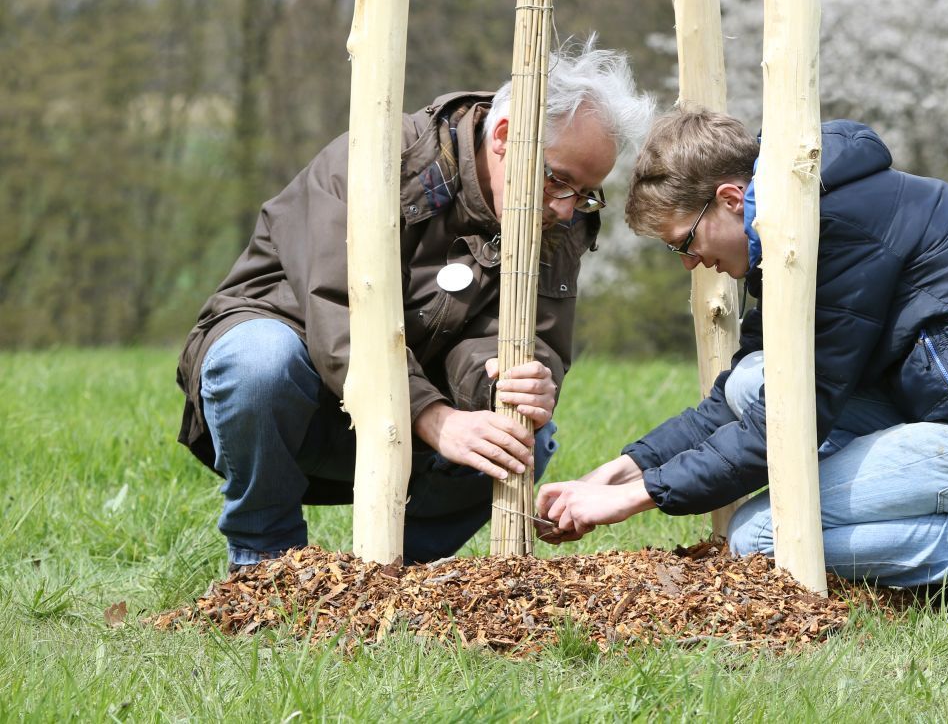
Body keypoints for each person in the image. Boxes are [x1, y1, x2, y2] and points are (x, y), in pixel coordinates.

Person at [536, 109, 948, 628]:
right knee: (748, 379)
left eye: (684, 241)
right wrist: (625, 469)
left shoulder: (836, 231)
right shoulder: (793, 225)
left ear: (732, 200)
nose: (691, 262)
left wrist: (640, 497)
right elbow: (743, 400)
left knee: (759, 536)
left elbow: (791, 419)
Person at [175, 43, 654, 570]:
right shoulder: (378, 159)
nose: (564, 207)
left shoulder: (557, 218)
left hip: (405, 411)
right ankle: (263, 557)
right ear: (504, 137)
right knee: (261, 361)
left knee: (522, 442)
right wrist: (433, 417)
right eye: (559, 179)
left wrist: (508, 382)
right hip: (292, 393)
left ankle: (392, 574)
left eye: (585, 193)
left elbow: (527, 339)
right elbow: (338, 315)